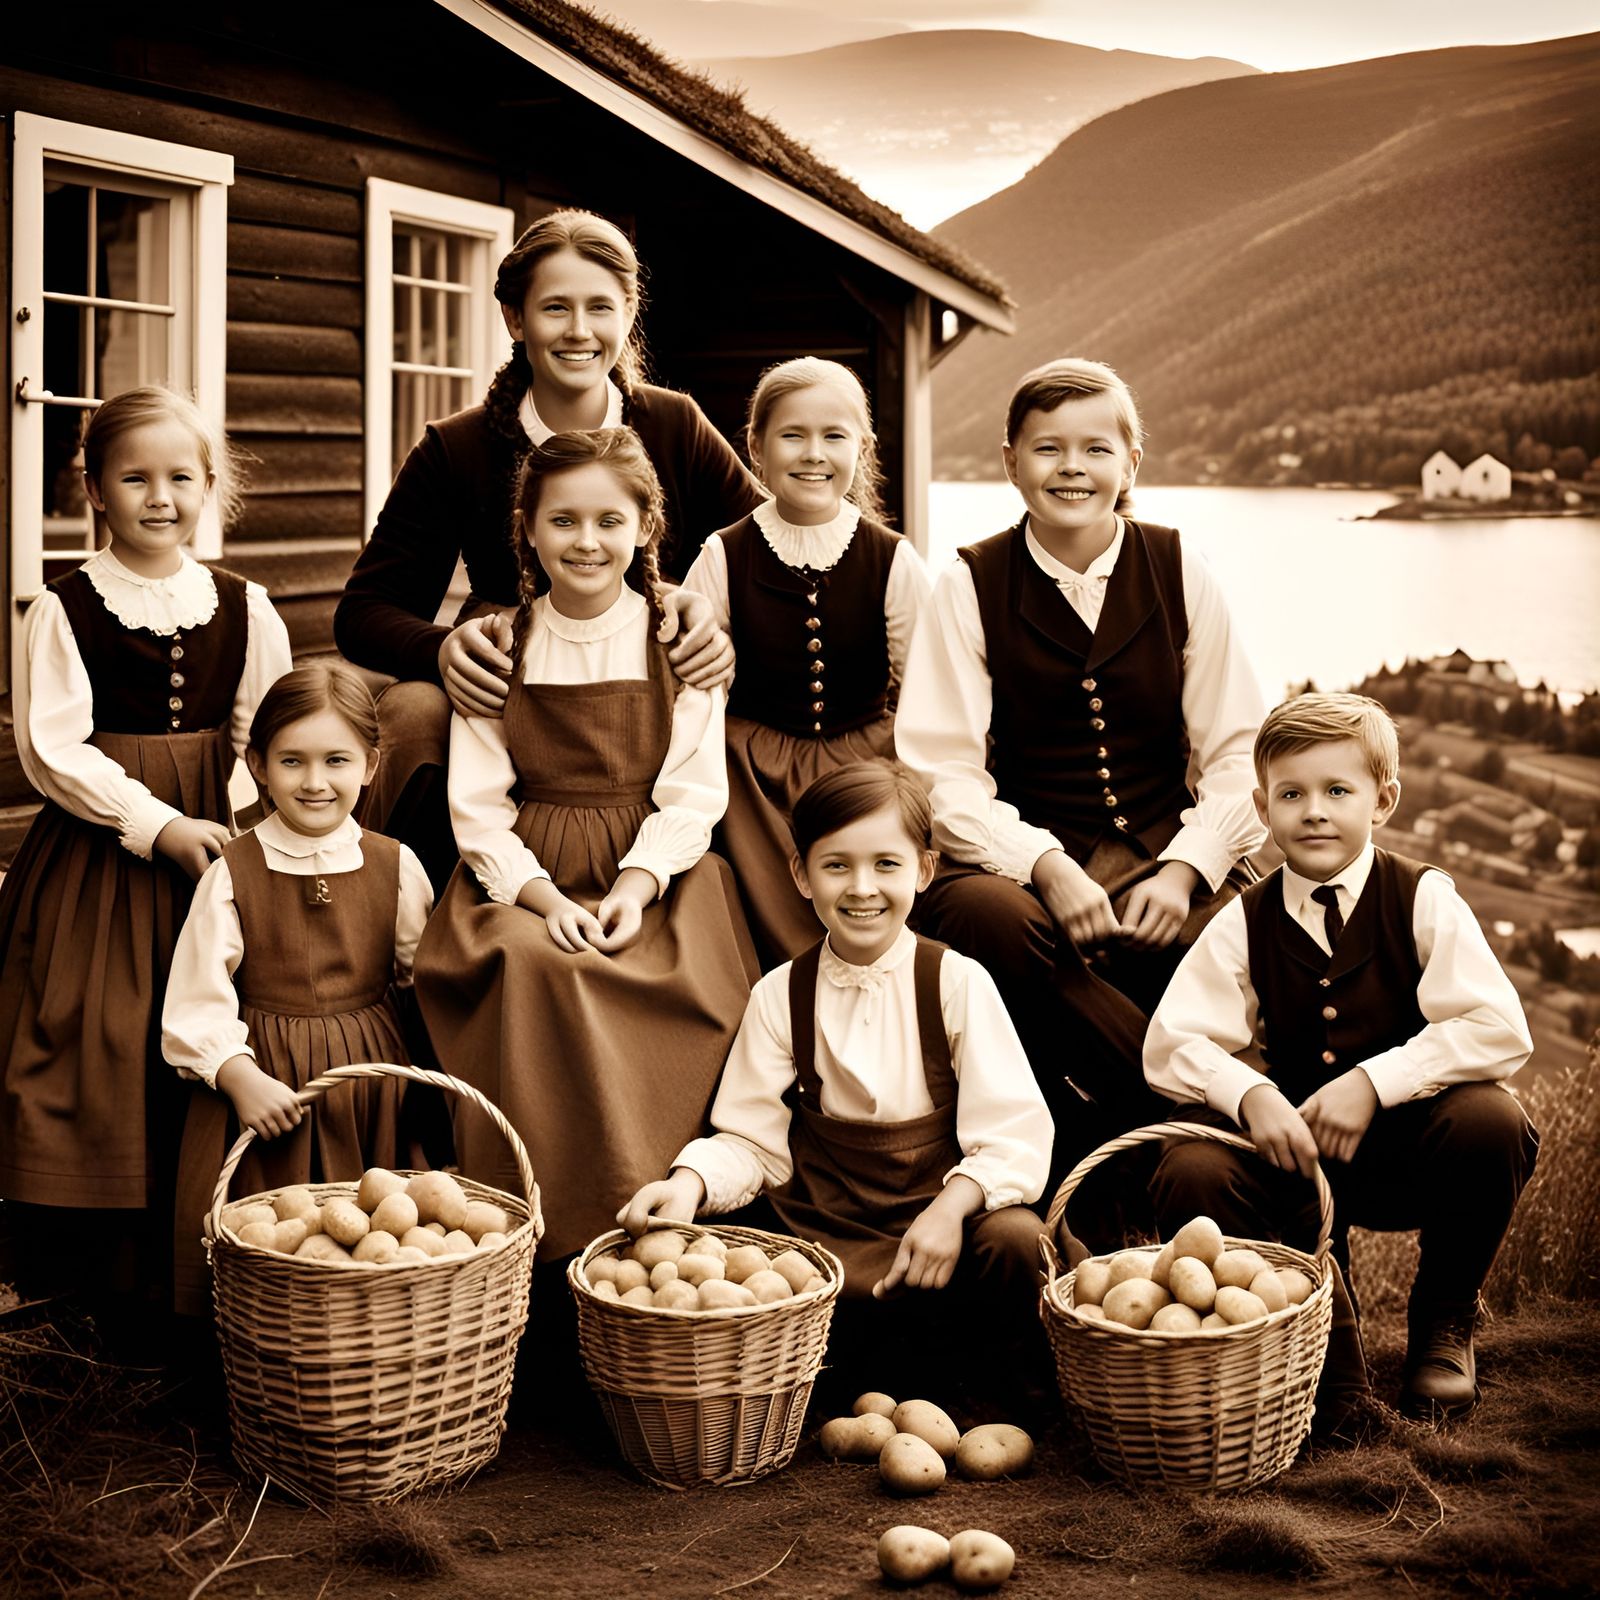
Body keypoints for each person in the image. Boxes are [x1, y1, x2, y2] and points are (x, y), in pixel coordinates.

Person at [895, 357, 1263, 1158]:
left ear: (1132, 463)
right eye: (1047, 448)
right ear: (1009, 463)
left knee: (1239, 934)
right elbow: (940, 772)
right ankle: (1188, 1123)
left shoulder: (1178, 567)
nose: (1072, 468)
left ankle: (1114, 1138)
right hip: (1013, 858)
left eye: (1097, 449)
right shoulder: (969, 582)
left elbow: (1241, 751)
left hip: (1163, 847)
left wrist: (1187, 867)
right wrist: (1045, 865)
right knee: (991, 925)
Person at [334, 209, 764, 888]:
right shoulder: (459, 446)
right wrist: (441, 649)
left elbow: (766, 554)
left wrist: (708, 614)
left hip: (644, 666)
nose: (578, 330)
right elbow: (363, 611)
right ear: (515, 319)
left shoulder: (674, 424)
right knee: (414, 717)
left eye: (600, 307)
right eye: (554, 308)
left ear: (627, 313)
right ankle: (408, 924)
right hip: (514, 675)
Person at [1143, 692, 1538, 1427]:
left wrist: (1373, 1081)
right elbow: (1173, 1043)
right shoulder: (1244, 919)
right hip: (1292, 1161)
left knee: (1493, 1119)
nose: (1314, 812)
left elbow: (1499, 1027)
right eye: (1291, 794)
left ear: (1382, 802)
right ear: (1263, 810)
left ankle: (1443, 1328)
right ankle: (1322, 1341)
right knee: (1190, 1163)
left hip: (1409, 1151)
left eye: (1337, 791)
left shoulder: (1423, 898)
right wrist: (1249, 1095)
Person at [414, 426, 759, 1261]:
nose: (587, 541)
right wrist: (542, 899)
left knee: (669, 981)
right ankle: (537, 1226)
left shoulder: (676, 642)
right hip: (525, 877)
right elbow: (480, 808)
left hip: (654, 870)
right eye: (563, 521)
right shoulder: (502, 644)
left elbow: (691, 791)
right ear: (527, 529)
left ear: (646, 525)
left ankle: (653, 1213)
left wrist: (635, 888)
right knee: (538, 967)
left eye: (610, 520)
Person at [620, 759, 1056, 1406]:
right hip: (830, 1234)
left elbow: (1015, 1134)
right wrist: (688, 1185)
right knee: (761, 1272)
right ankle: (838, 1388)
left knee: (1019, 1240)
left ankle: (1001, 1403)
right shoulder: (780, 995)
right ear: (800, 875)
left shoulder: (957, 982)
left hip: (934, 1227)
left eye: (887, 864)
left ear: (925, 871)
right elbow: (751, 1142)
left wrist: (953, 1206)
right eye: (835, 865)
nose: (861, 888)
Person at [0, 386, 291, 1320]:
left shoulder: (246, 606)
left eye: (180, 477)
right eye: (134, 478)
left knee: (215, 1013)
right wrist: (155, 823)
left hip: (221, 844)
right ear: (94, 489)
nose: (159, 497)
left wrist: (244, 819)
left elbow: (264, 730)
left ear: (211, 486)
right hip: (103, 859)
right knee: (104, 1029)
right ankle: (95, 1290)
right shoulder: (66, 607)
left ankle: (200, 1266)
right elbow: (54, 747)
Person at [162, 665, 434, 1314]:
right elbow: (195, 997)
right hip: (269, 1079)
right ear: (258, 765)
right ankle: (260, 1343)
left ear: (370, 766)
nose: (314, 782)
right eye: (292, 761)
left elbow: (421, 976)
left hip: (369, 1086)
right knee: (273, 1238)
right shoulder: (233, 871)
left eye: (336, 760)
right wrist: (237, 1076)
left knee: (370, 1231)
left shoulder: (396, 865)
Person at [679, 358, 931, 965]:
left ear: (863, 448)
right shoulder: (724, 553)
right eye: (793, 435)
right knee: (743, 887)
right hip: (753, 776)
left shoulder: (893, 559)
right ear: (756, 448)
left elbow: (925, 689)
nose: (813, 453)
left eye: (834, 436)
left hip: (864, 762)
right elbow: (693, 676)